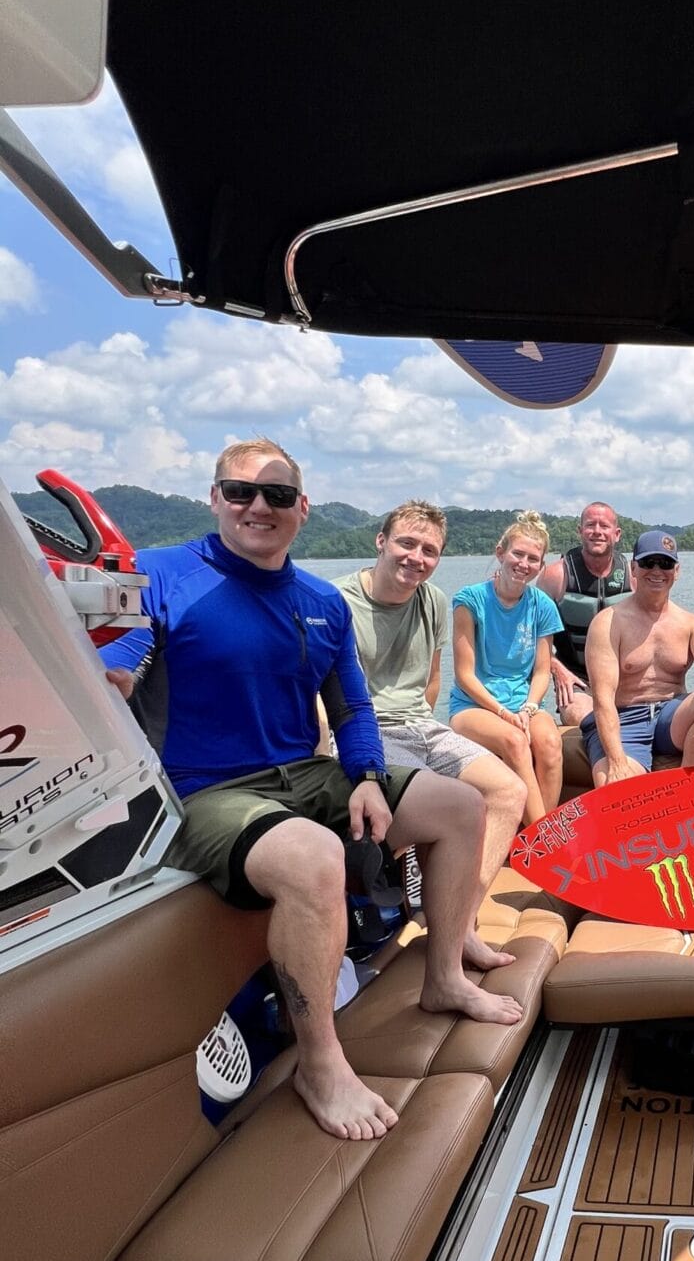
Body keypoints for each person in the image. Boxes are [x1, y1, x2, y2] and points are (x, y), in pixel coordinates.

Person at [103, 439, 523, 1143]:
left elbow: (352, 709)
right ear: (214, 498)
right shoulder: (160, 574)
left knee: (460, 804)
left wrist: (367, 778)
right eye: (240, 492)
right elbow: (116, 664)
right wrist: (107, 677)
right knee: (312, 856)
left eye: (275, 495)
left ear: (302, 509)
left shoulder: (320, 601)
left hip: (302, 772)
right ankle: (320, 1062)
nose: (256, 507)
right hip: (201, 789)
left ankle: (445, 974)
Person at [335, 500, 528, 919]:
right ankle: (432, 909)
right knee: (446, 800)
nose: (416, 558)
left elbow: (432, 678)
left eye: (429, 551)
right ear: (381, 541)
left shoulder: (434, 600)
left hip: (421, 725)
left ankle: (461, 919)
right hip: (367, 730)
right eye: (406, 544)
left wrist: (423, 724)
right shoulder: (338, 601)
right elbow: (318, 690)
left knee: (509, 791)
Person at [581, 530, 694, 785]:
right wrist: (617, 762)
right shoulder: (608, 622)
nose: (657, 571)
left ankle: (688, 790)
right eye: (648, 562)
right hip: (624, 718)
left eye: (665, 563)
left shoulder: (692, 623)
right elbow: (602, 698)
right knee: (617, 791)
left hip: (670, 716)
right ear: (633, 568)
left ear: (677, 571)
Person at [449, 511, 565, 825]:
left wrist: (528, 708)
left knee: (550, 743)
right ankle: (546, 838)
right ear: (500, 553)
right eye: (518, 554)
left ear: (541, 566)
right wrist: (502, 712)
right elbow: (464, 675)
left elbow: (541, 671)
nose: (523, 564)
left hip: (523, 704)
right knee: (515, 741)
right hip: (474, 705)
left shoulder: (543, 606)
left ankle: (534, 835)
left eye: (533, 559)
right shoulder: (469, 600)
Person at [536, 500, 633, 727]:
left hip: (624, 679)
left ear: (617, 534)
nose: (597, 531)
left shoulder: (633, 575)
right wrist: (557, 670)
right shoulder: (555, 576)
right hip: (576, 678)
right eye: (590, 525)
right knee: (586, 719)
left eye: (604, 526)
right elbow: (530, 636)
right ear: (580, 531)